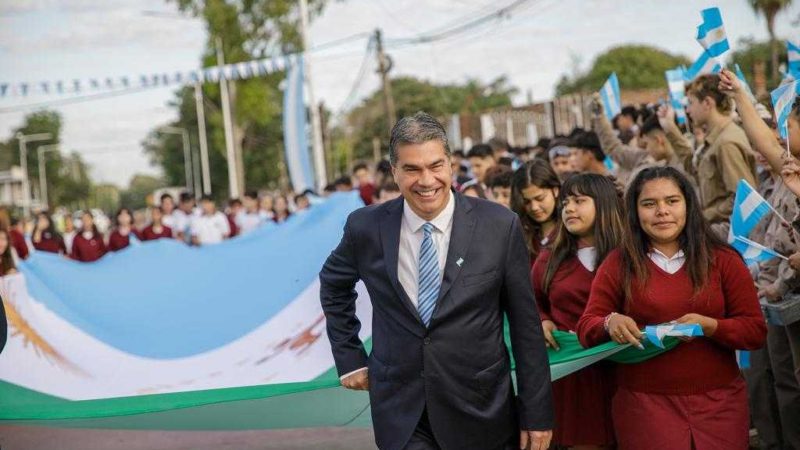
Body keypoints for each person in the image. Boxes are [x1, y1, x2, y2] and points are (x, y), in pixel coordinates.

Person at [320, 112, 554, 450]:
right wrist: (350, 357)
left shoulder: (499, 226)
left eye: (435, 166)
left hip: (481, 408)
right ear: (394, 172)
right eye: (412, 169)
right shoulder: (365, 228)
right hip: (402, 411)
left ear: (451, 164)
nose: (426, 180)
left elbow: (525, 326)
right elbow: (333, 285)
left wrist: (537, 414)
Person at [576, 167, 767, 450]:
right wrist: (609, 322)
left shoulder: (723, 259)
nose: (662, 211)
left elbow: (755, 331)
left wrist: (711, 326)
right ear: (635, 211)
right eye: (649, 204)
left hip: (720, 405)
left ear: (688, 204)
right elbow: (586, 327)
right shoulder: (619, 263)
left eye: (672, 201)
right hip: (644, 408)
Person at [532, 173, 623, 449]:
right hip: (574, 375)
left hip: (624, 369)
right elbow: (529, 301)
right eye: (566, 202)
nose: (569, 208)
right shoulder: (550, 259)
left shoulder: (630, 255)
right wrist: (543, 320)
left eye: (579, 201)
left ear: (605, 205)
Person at [681, 73, 757, 239]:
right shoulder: (716, 140)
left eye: (691, 103)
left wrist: (702, 215)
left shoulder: (726, 142)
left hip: (728, 232)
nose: (688, 110)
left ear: (707, 103)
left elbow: (742, 198)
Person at [511, 160, 561, 263]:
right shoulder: (519, 234)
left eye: (540, 198)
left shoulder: (572, 230)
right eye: (526, 201)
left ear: (555, 190)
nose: (534, 207)